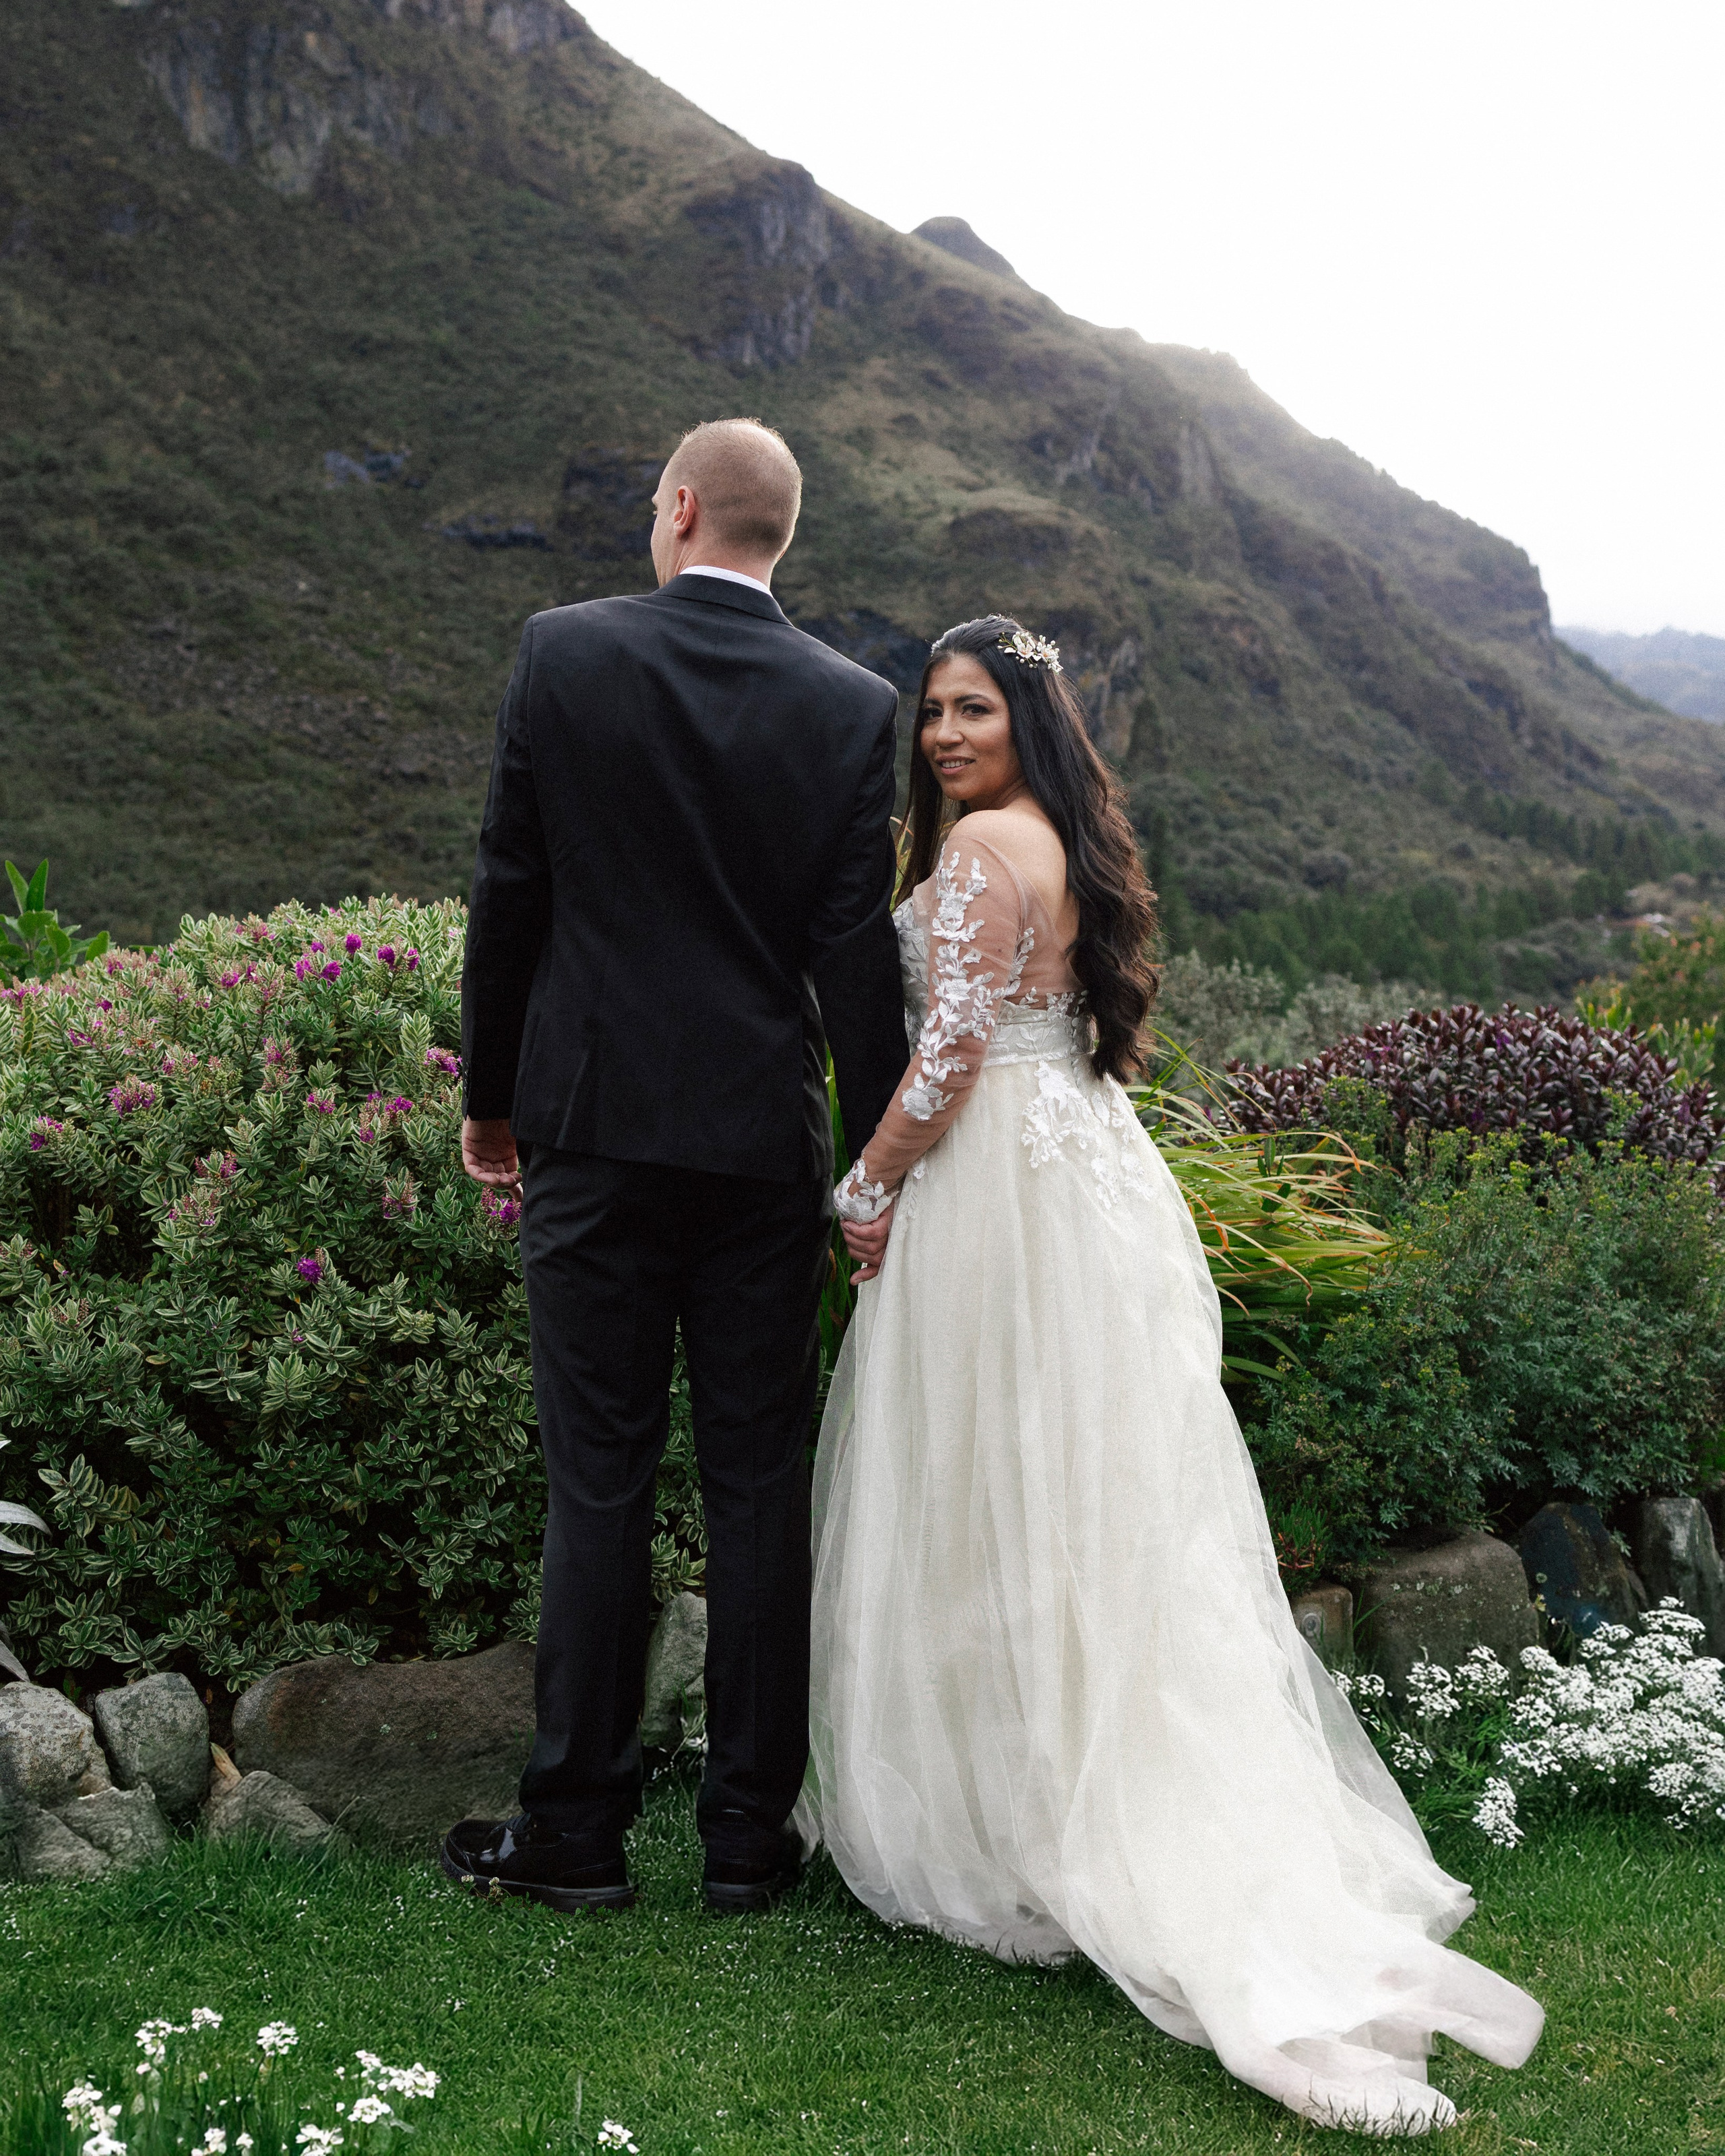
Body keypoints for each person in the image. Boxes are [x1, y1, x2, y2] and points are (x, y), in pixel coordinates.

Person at [798, 614, 1544, 2134]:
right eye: (931, 714)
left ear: (1026, 723)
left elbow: (944, 1057)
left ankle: (1024, 1822)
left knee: (988, 1489)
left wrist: (864, 1185)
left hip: (994, 1195)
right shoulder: (1058, 845)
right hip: (1082, 1180)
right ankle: (1052, 1791)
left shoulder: (973, 860)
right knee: (1082, 1501)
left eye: (972, 712)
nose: (943, 737)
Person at [445, 418, 906, 1914]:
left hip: (587, 1123)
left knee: (599, 1481)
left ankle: (573, 1832)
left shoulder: (563, 653)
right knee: (759, 1482)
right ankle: (743, 1840)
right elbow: (849, 964)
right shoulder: (849, 707)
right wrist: (867, 1170)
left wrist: (493, 1098)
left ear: (682, 509)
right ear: (781, 536)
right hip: (758, 1146)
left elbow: (510, 886)